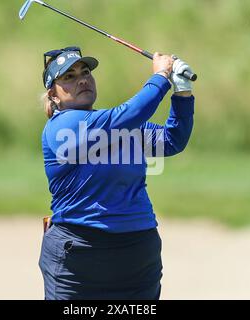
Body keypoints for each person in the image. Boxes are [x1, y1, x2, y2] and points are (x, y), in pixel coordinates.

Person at [38, 46, 195, 300]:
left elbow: (171, 139)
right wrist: (161, 77)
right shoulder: (61, 127)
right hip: (80, 255)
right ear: (53, 96)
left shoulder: (118, 123)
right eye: (68, 77)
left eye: (85, 71)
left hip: (136, 254)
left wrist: (182, 92)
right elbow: (129, 114)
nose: (82, 79)